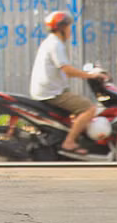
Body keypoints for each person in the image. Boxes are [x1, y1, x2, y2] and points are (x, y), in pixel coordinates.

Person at [29, 10, 104, 155]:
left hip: (48, 90)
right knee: (89, 108)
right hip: (52, 93)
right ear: (61, 28)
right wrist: (90, 75)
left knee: (76, 109)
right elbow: (67, 70)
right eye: (69, 27)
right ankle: (69, 142)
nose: (71, 31)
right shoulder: (56, 44)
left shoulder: (50, 42)